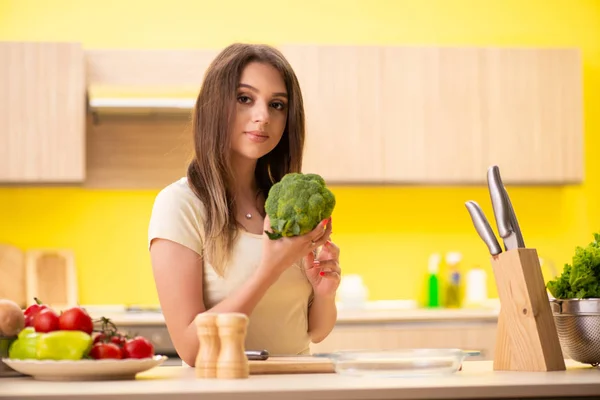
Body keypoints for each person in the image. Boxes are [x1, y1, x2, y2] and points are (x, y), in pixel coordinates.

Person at [147, 43, 341, 367]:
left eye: (277, 104)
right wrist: (271, 269)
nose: (263, 116)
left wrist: (325, 291)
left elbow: (316, 331)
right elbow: (192, 349)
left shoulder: (284, 208)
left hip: (302, 386)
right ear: (213, 105)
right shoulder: (179, 206)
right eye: (244, 99)